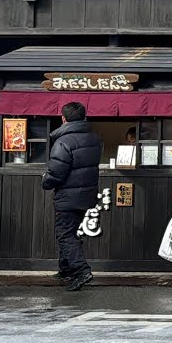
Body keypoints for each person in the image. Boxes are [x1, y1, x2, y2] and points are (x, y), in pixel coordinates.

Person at [41, 102, 101, 291]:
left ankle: (81, 271)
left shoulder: (63, 142)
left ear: (63, 118)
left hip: (68, 196)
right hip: (86, 194)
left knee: (65, 234)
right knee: (70, 231)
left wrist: (45, 181)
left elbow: (56, 173)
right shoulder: (94, 138)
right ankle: (66, 269)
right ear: (84, 117)